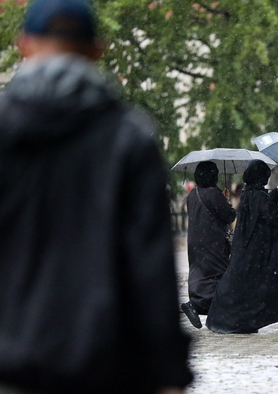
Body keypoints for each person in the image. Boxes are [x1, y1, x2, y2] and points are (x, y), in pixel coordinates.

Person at [0, 1, 193, 393]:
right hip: (104, 361)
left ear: (24, 45)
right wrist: (168, 373)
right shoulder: (129, 137)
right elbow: (150, 264)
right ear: (96, 50)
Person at [206, 160, 278, 334]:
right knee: (277, 284)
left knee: (268, 285)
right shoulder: (257, 196)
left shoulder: (249, 193)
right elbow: (274, 218)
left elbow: (262, 209)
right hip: (263, 254)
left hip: (252, 252)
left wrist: (275, 193)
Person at [182, 161, 236, 329]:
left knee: (201, 274)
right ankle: (200, 307)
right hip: (213, 243)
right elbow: (229, 216)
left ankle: (197, 304)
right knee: (218, 276)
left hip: (196, 242)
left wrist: (222, 199)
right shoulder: (213, 193)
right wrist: (226, 202)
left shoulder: (192, 194)